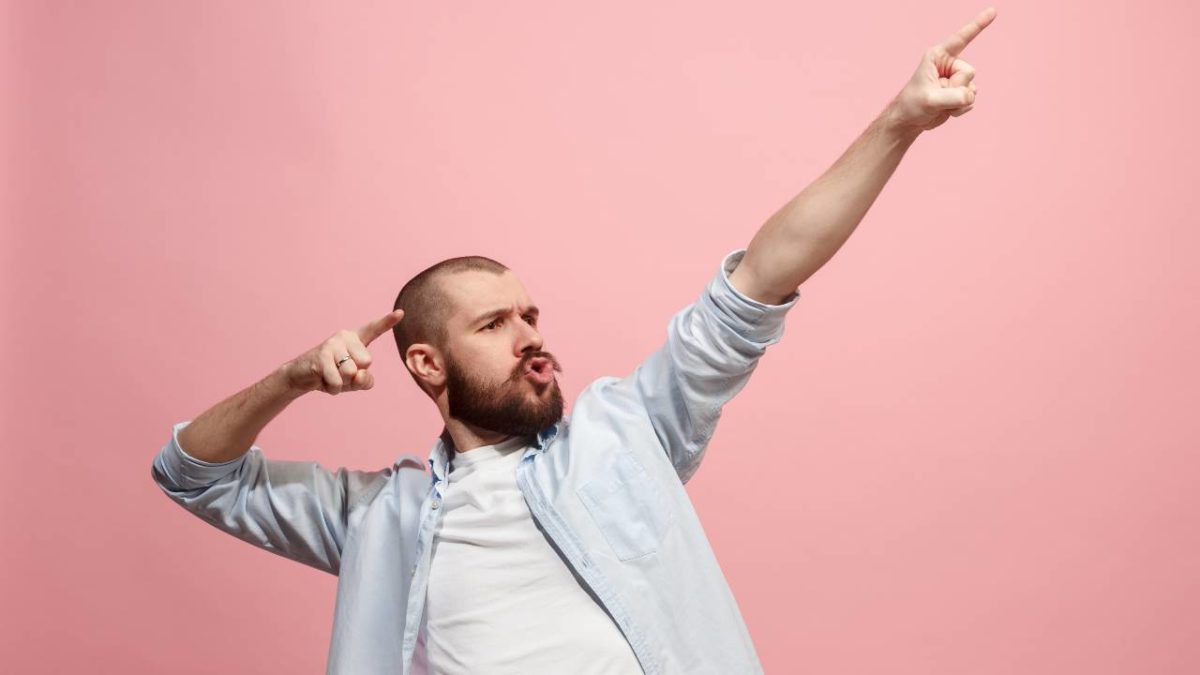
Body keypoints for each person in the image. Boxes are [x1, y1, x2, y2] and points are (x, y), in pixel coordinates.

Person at [150, 9, 995, 674]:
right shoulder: (374, 519)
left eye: (532, 317)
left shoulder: (625, 434)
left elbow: (756, 283)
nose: (530, 339)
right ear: (424, 363)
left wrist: (900, 122)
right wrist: (293, 378)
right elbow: (192, 473)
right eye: (494, 324)